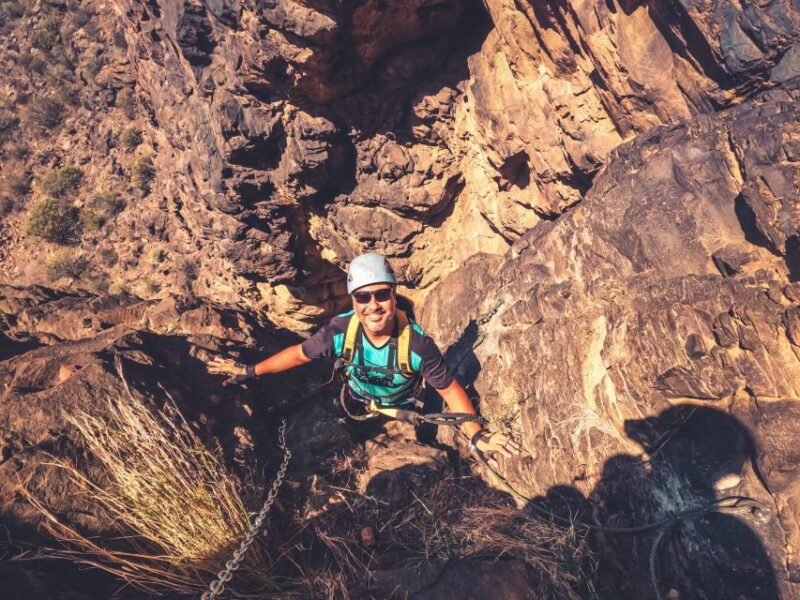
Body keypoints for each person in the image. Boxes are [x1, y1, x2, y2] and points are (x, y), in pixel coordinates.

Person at [208, 253, 521, 465]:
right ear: (353, 300)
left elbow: (450, 390)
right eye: (362, 296)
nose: (374, 305)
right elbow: (300, 355)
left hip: (403, 403)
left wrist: (477, 437)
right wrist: (250, 371)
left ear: (394, 295)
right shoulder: (339, 331)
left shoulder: (417, 345)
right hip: (358, 397)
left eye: (382, 294)